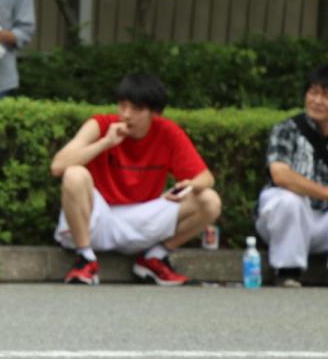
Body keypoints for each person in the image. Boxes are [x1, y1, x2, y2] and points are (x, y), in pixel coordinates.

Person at [50, 72, 222, 286]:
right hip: (96, 217)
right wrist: (105, 143)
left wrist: (190, 185)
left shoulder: (167, 132)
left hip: (142, 219)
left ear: (154, 113)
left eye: (136, 109)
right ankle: (85, 258)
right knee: (74, 174)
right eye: (122, 106)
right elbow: (58, 166)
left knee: (209, 200)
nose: (126, 115)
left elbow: (206, 177)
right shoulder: (101, 124)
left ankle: (154, 258)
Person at [254, 64, 328, 288]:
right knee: (288, 200)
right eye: (313, 92)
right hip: (284, 219)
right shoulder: (288, 128)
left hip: (322, 223)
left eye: (325, 95)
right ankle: (287, 271)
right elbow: (280, 175)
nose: (316, 100)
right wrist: (325, 193)